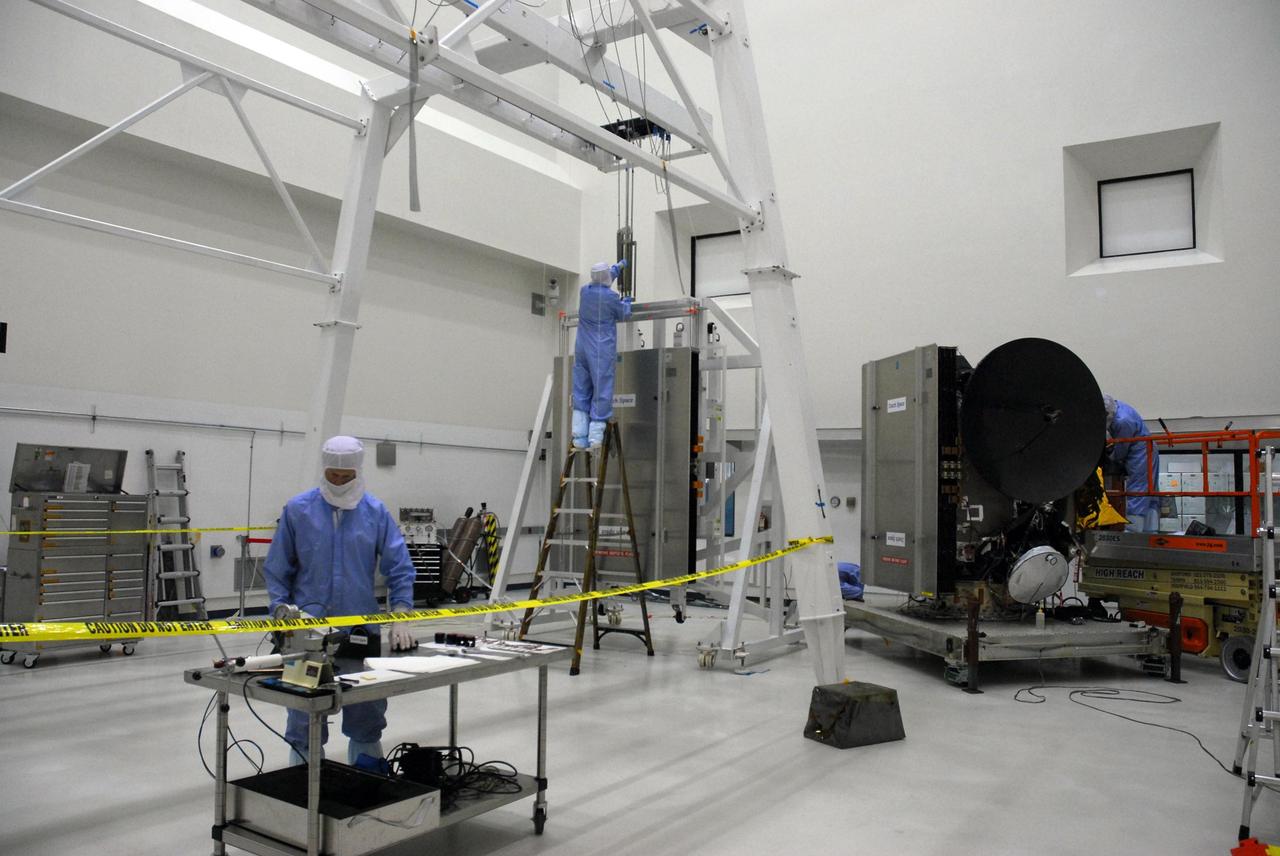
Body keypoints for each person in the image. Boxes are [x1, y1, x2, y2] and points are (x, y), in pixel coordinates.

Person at [264, 435, 417, 766]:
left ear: (358, 472)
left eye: (345, 477)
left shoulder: (375, 513)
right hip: (307, 635)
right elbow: (277, 569)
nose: (338, 482)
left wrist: (402, 612)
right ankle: (302, 775)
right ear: (325, 469)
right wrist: (281, 612)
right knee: (304, 712)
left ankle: (366, 773)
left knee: (366, 710)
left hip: (360, 630)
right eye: (332, 475)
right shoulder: (298, 510)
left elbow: (400, 567)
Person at [573, 260, 633, 448]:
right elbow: (624, 315)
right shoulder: (610, 297)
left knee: (581, 388)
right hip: (600, 348)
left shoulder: (585, 291)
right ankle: (596, 435)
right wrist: (627, 302)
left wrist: (619, 267)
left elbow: (603, 279)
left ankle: (579, 436)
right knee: (602, 387)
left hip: (581, 346)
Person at [1103, 394, 1160, 531]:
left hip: (1140, 454)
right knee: (1149, 493)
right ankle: (1151, 531)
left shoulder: (1123, 421)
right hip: (1147, 450)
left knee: (1138, 491)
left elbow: (1121, 449)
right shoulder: (1117, 406)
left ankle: (1133, 532)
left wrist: (1110, 456)